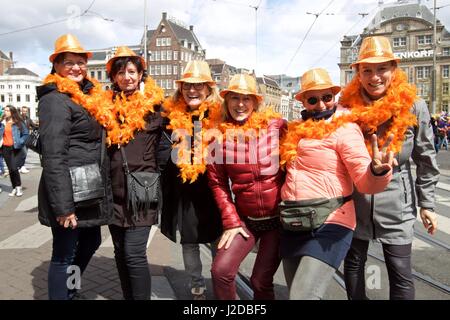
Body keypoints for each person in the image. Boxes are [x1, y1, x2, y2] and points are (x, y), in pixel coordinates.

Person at [279, 68, 394, 300]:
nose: (321, 104)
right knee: (296, 293)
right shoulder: (294, 131)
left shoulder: (345, 129)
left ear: (334, 97)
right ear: (303, 101)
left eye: (327, 97)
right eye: (313, 99)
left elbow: (364, 181)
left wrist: (376, 172)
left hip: (331, 222)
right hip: (294, 221)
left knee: (302, 296)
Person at [340, 36, 439, 300]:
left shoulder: (414, 106)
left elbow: (426, 157)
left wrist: (426, 204)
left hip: (398, 205)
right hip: (356, 202)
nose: (375, 77)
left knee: (400, 271)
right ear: (358, 74)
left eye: (382, 68)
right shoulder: (346, 109)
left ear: (394, 69)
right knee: (353, 265)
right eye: (367, 70)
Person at [36, 34, 113, 300]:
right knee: (64, 253)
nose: (76, 68)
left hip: (87, 188)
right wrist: (63, 206)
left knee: (90, 241)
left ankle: (70, 289)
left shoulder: (83, 96)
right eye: (69, 62)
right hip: (69, 190)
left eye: (80, 62)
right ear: (56, 66)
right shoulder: (55, 99)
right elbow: (54, 155)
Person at [207, 73, 286, 300]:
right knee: (220, 271)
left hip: (277, 221)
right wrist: (231, 220)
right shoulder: (217, 136)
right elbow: (217, 182)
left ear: (255, 102)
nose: (240, 104)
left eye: (246, 98)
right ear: (226, 101)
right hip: (245, 220)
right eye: (234, 98)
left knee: (260, 280)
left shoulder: (277, 127)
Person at [158, 60, 223, 300]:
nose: (192, 90)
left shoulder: (221, 115)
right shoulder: (170, 115)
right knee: (189, 241)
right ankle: (197, 286)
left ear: (208, 89)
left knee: (219, 240)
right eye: (187, 86)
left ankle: (220, 282)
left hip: (214, 189)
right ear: (181, 89)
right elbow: (161, 148)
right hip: (185, 189)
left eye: (198, 86)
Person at [104, 46, 164, 300]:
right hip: (113, 191)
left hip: (142, 190)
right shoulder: (105, 107)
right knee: (119, 252)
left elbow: (170, 142)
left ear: (141, 74)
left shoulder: (156, 106)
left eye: (131, 71)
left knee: (134, 254)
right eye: (121, 72)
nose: (126, 76)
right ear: (114, 77)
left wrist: (155, 172)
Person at [0, 105, 28, 197]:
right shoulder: (2, 122)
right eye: (5, 110)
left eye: (7, 110)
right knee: (11, 170)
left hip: (15, 148)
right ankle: (14, 188)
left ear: (12, 112)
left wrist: (20, 141)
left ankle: (18, 187)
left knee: (13, 168)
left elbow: (25, 133)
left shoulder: (18, 122)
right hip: (5, 148)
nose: (5, 112)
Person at [17, 106, 38, 174]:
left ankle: (20, 166)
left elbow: (34, 126)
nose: (25, 112)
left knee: (24, 153)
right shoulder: (18, 119)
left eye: (26, 111)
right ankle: (21, 166)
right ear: (21, 111)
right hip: (20, 138)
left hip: (27, 139)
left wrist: (39, 127)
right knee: (23, 153)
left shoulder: (28, 119)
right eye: (23, 111)